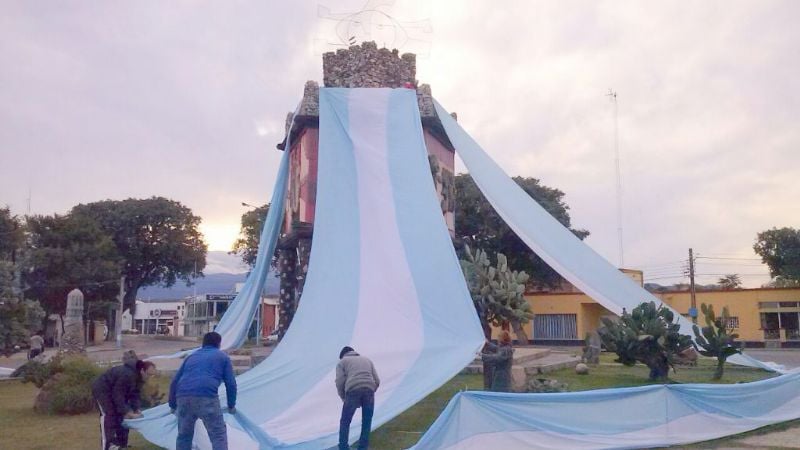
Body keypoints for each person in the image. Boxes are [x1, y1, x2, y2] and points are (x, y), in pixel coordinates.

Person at [169, 331, 237, 450]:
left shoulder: (191, 357)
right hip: (207, 397)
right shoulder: (223, 357)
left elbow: (175, 381)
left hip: (183, 397)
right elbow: (231, 384)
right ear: (219, 344)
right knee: (218, 435)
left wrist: (172, 404)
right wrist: (231, 405)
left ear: (203, 343)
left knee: (184, 436)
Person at [92, 350, 156, 450]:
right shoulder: (127, 374)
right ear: (142, 371)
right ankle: (107, 445)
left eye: (152, 375)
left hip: (114, 391)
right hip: (103, 390)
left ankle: (121, 444)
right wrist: (127, 411)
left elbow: (134, 394)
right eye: (149, 375)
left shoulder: (138, 378)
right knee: (109, 414)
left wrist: (136, 409)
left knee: (122, 417)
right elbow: (118, 395)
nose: (149, 378)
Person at [336, 346, 380, 450]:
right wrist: (370, 391)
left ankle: (343, 447)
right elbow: (377, 380)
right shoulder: (367, 360)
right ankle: (363, 447)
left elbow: (339, 382)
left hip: (353, 389)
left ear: (343, 355)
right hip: (369, 389)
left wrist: (344, 397)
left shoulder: (342, 362)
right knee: (366, 420)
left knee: (345, 421)